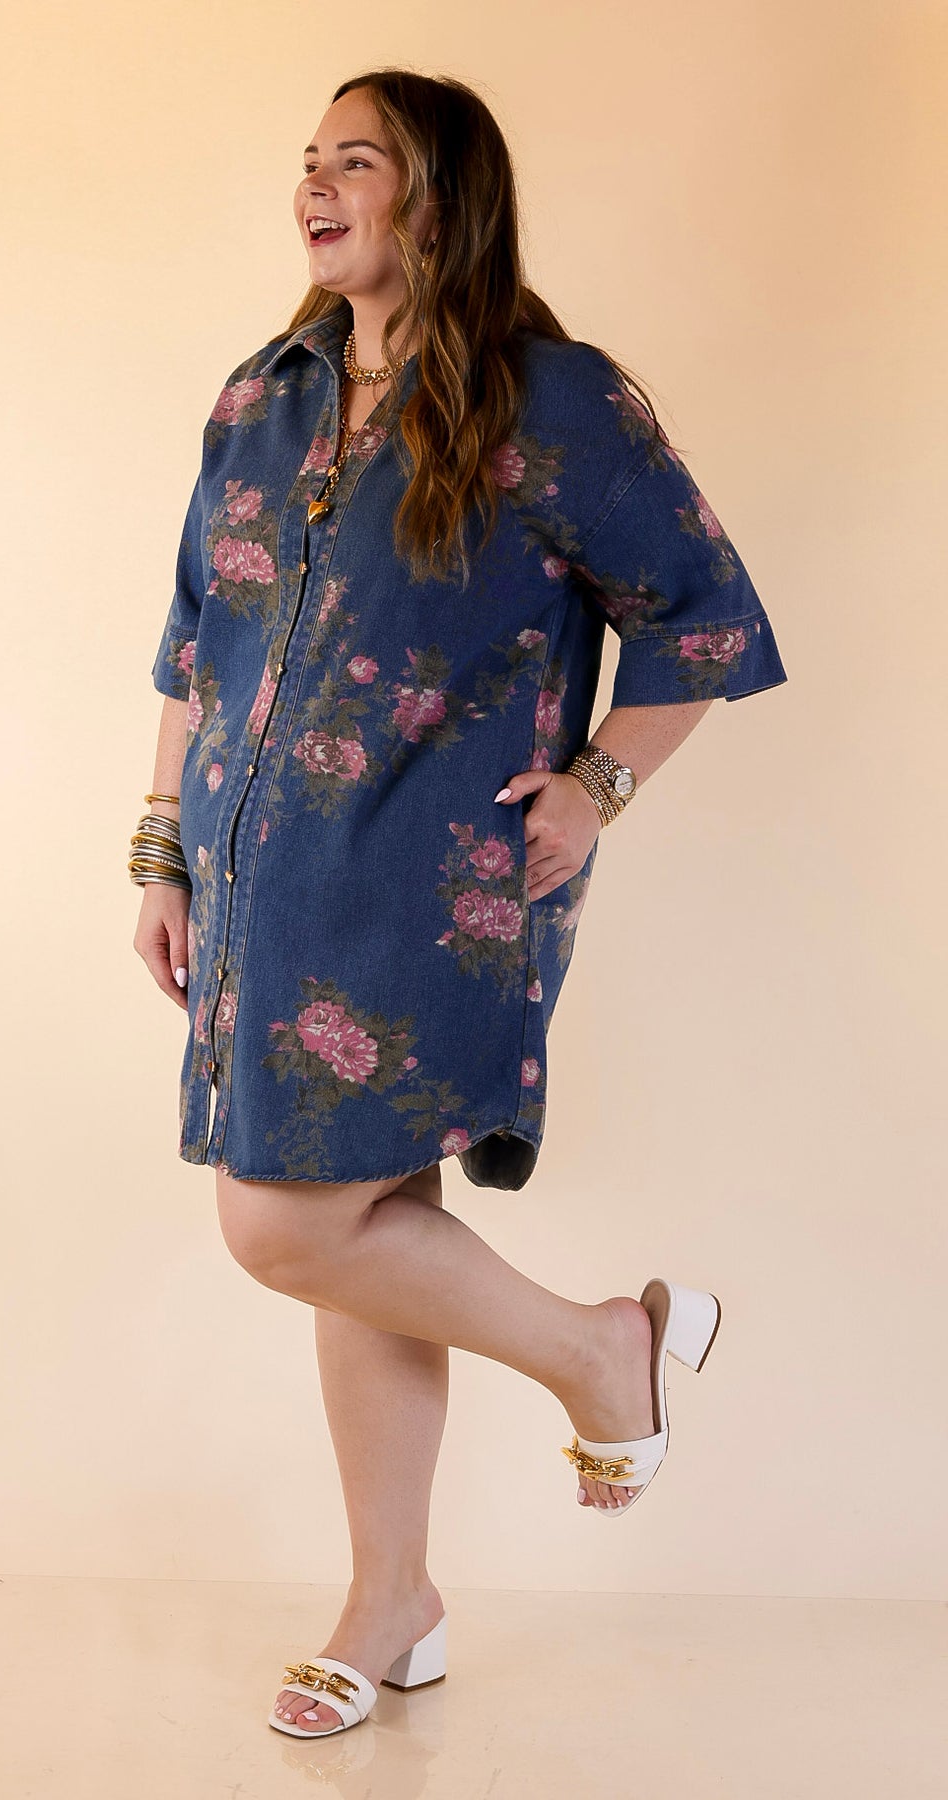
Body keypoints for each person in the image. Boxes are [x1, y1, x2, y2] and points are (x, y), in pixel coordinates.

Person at [130, 68, 787, 1738]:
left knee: (287, 1222)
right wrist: (158, 844)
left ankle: (601, 1354)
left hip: (436, 888)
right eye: (309, 161)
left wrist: (598, 786)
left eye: (356, 161)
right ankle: (395, 1602)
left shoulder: (549, 398)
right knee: (357, 1232)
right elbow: (200, 642)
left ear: (440, 197)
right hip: (262, 882)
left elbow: (705, 616)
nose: (316, 185)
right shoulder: (263, 396)